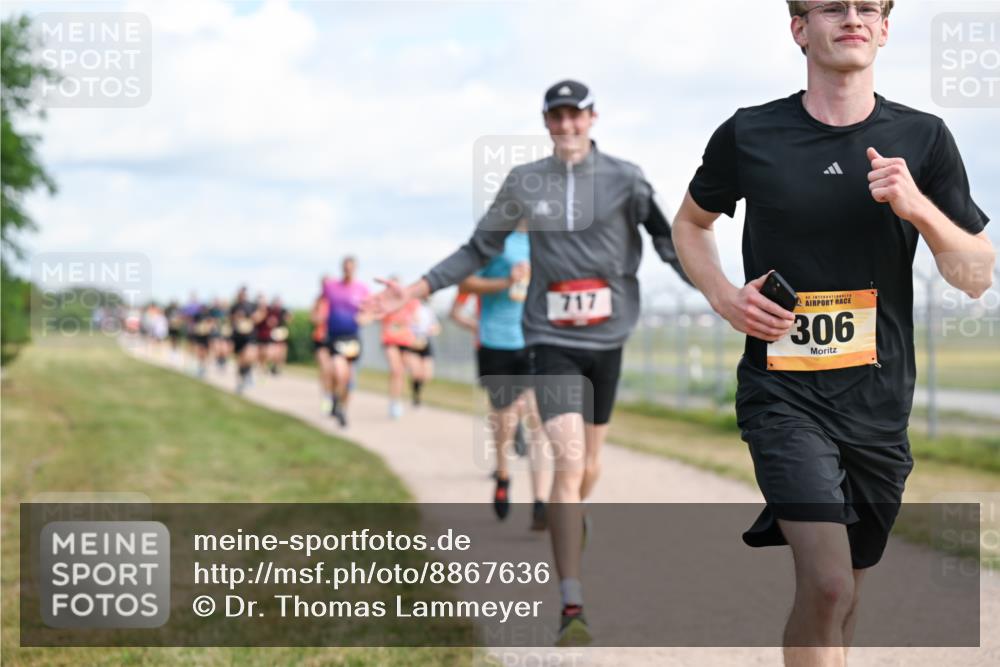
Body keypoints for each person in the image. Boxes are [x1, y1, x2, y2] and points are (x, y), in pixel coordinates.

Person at [671, 2, 994, 665]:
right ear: (799, 29)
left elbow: (975, 276)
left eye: (867, 7)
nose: (852, 16)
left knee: (843, 599)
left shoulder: (924, 138)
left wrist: (917, 208)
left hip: (878, 405)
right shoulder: (750, 133)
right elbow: (690, 224)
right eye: (831, 7)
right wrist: (726, 298)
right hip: (782, 395)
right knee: (825, 580)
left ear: (883, 28)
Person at [365, 79, 690, 645]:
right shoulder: (524, 182)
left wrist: (722, 293)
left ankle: (572, 513)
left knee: (589, 468)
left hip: (607, 341)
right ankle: (572, 603)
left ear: (593, 117)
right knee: (566, 464)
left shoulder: (627, 179)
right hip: (550, 341)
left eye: (575, 115)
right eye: (556, 117)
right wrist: (414, 290)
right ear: (546, 123)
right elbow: (477, 248)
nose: (566, 126)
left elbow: (667, 242)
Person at [450, 221, 551, 531]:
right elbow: (465, 283)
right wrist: (506, 281)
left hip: (535, 339)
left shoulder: (547, 239)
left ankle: (540, 502)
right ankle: (503, 474)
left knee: (538, 418)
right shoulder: (494, 239)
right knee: (504, 417)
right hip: (496, 341)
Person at [324, 256, 371, 427]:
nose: (348, 270)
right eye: (346, 267)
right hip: (335, 336)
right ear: (342, 268)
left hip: (352, 338)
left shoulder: (362, 289)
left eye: (351, 268)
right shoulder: (331, 287)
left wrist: (365, 318)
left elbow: (369, 312)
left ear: (355, 269)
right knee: (338, 371)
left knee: (348, 376)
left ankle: (342, 408)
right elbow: (321, 304)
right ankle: (335, 398)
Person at [380, 287, 419, 419]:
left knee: (401, 372)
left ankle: (397, 399)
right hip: (390, 340)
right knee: (395, 370)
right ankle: (394, 402)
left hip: (405, 341)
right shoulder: (385, 303)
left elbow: (416, 319)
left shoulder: (410, 303)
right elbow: (378, 316)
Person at [407, 297, 441, 407]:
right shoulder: (410, 308)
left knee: (427, 374)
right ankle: (415, 397)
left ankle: (418, 389)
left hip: (426, 341)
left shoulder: (428, 311)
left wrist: (433, 330)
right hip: (413, 341)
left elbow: (437, 327)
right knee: (416, 372)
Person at [311, 276, 335, 414]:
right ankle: (326, 397)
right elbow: (312, 318)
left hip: (335, 339)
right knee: (325, 369)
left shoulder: (336, 299)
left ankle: (333, 395)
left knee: (334, 371)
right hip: (320, 339)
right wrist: (320, 319)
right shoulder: (318, 300)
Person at [229, 287, 259, 393]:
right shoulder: (234, 306)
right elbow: (230, 320)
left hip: (250, 336)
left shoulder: (252, 306)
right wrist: (236, 318)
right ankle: (240, 382)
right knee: (240, 361)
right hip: (238, 336)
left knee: (250, 356)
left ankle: (248, 372)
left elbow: (258, 318)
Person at [265, 295, 290, 375]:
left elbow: (289, 320)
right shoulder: (270, 311)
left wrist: (288, 317)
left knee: (282, 353)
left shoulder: (284, 311)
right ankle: (272, 366)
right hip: (274, 334)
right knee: (273, 352)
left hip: (282, 334)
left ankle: (277, 368)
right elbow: (268, 322)